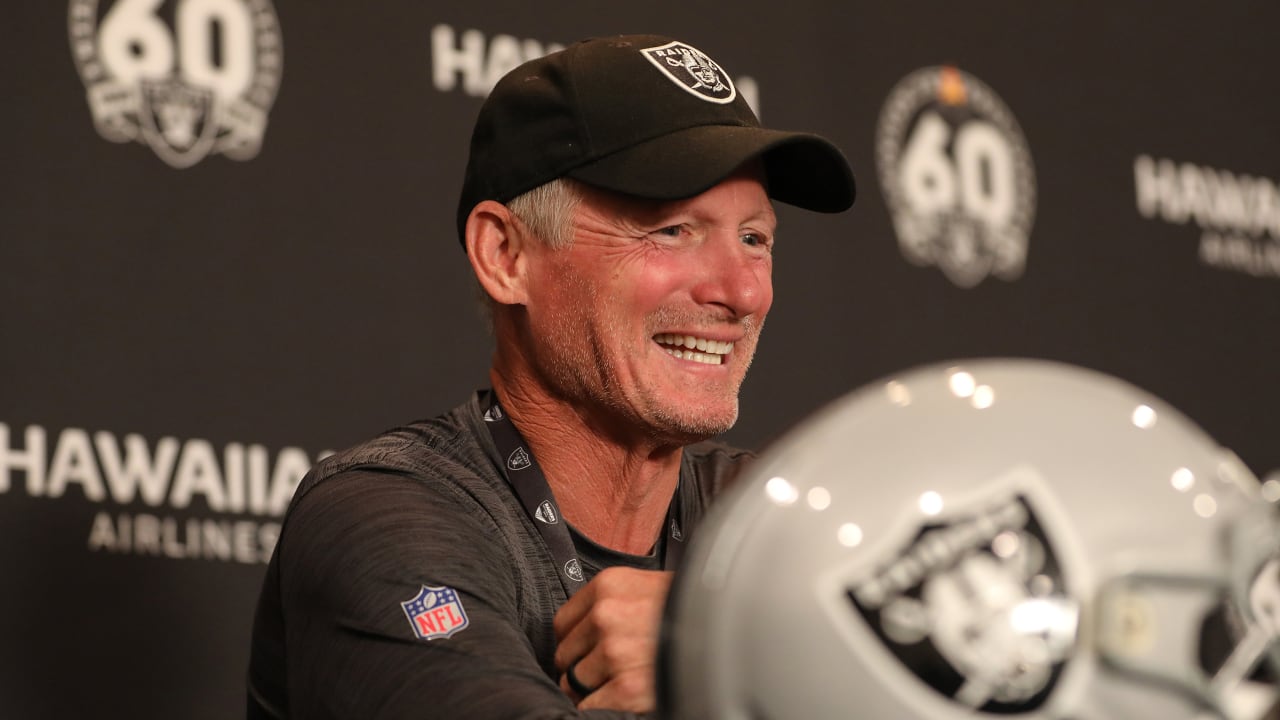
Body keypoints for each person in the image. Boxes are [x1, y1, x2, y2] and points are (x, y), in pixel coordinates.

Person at [246, 33, 854, 719]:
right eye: (673, 230)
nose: (740, 293)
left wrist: (737, 648)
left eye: (754, 239)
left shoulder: (782, 518)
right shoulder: (380, 514)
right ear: (506, 255)